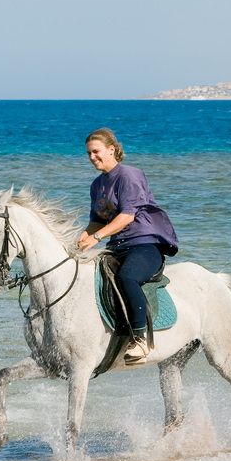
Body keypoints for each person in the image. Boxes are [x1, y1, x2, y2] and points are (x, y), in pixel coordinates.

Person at [76, 127, 178, 364]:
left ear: (111, 150)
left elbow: (126, 216)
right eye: (89, 153)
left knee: (127, 277)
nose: (92, 157)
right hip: (117, 246)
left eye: (96, 152)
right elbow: (97, 221)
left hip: (144, 244)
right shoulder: (97, 185)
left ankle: (140, 339)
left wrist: (97, 237)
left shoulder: (129, 176)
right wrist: (80, 239)